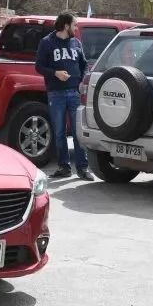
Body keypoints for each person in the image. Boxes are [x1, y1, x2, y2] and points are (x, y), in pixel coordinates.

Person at [36, 12, 92, 181]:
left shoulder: (76, 43)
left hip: (74, 93)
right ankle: (64, 166)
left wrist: (83, 81)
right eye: (74, 25)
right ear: (66, 26)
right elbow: (38, 66)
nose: (76, 28)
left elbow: (84, 65)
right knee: (59, 132)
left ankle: (82, 168)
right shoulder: (47, 43)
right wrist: (55, 73)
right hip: (56, 94)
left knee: (78, 132)